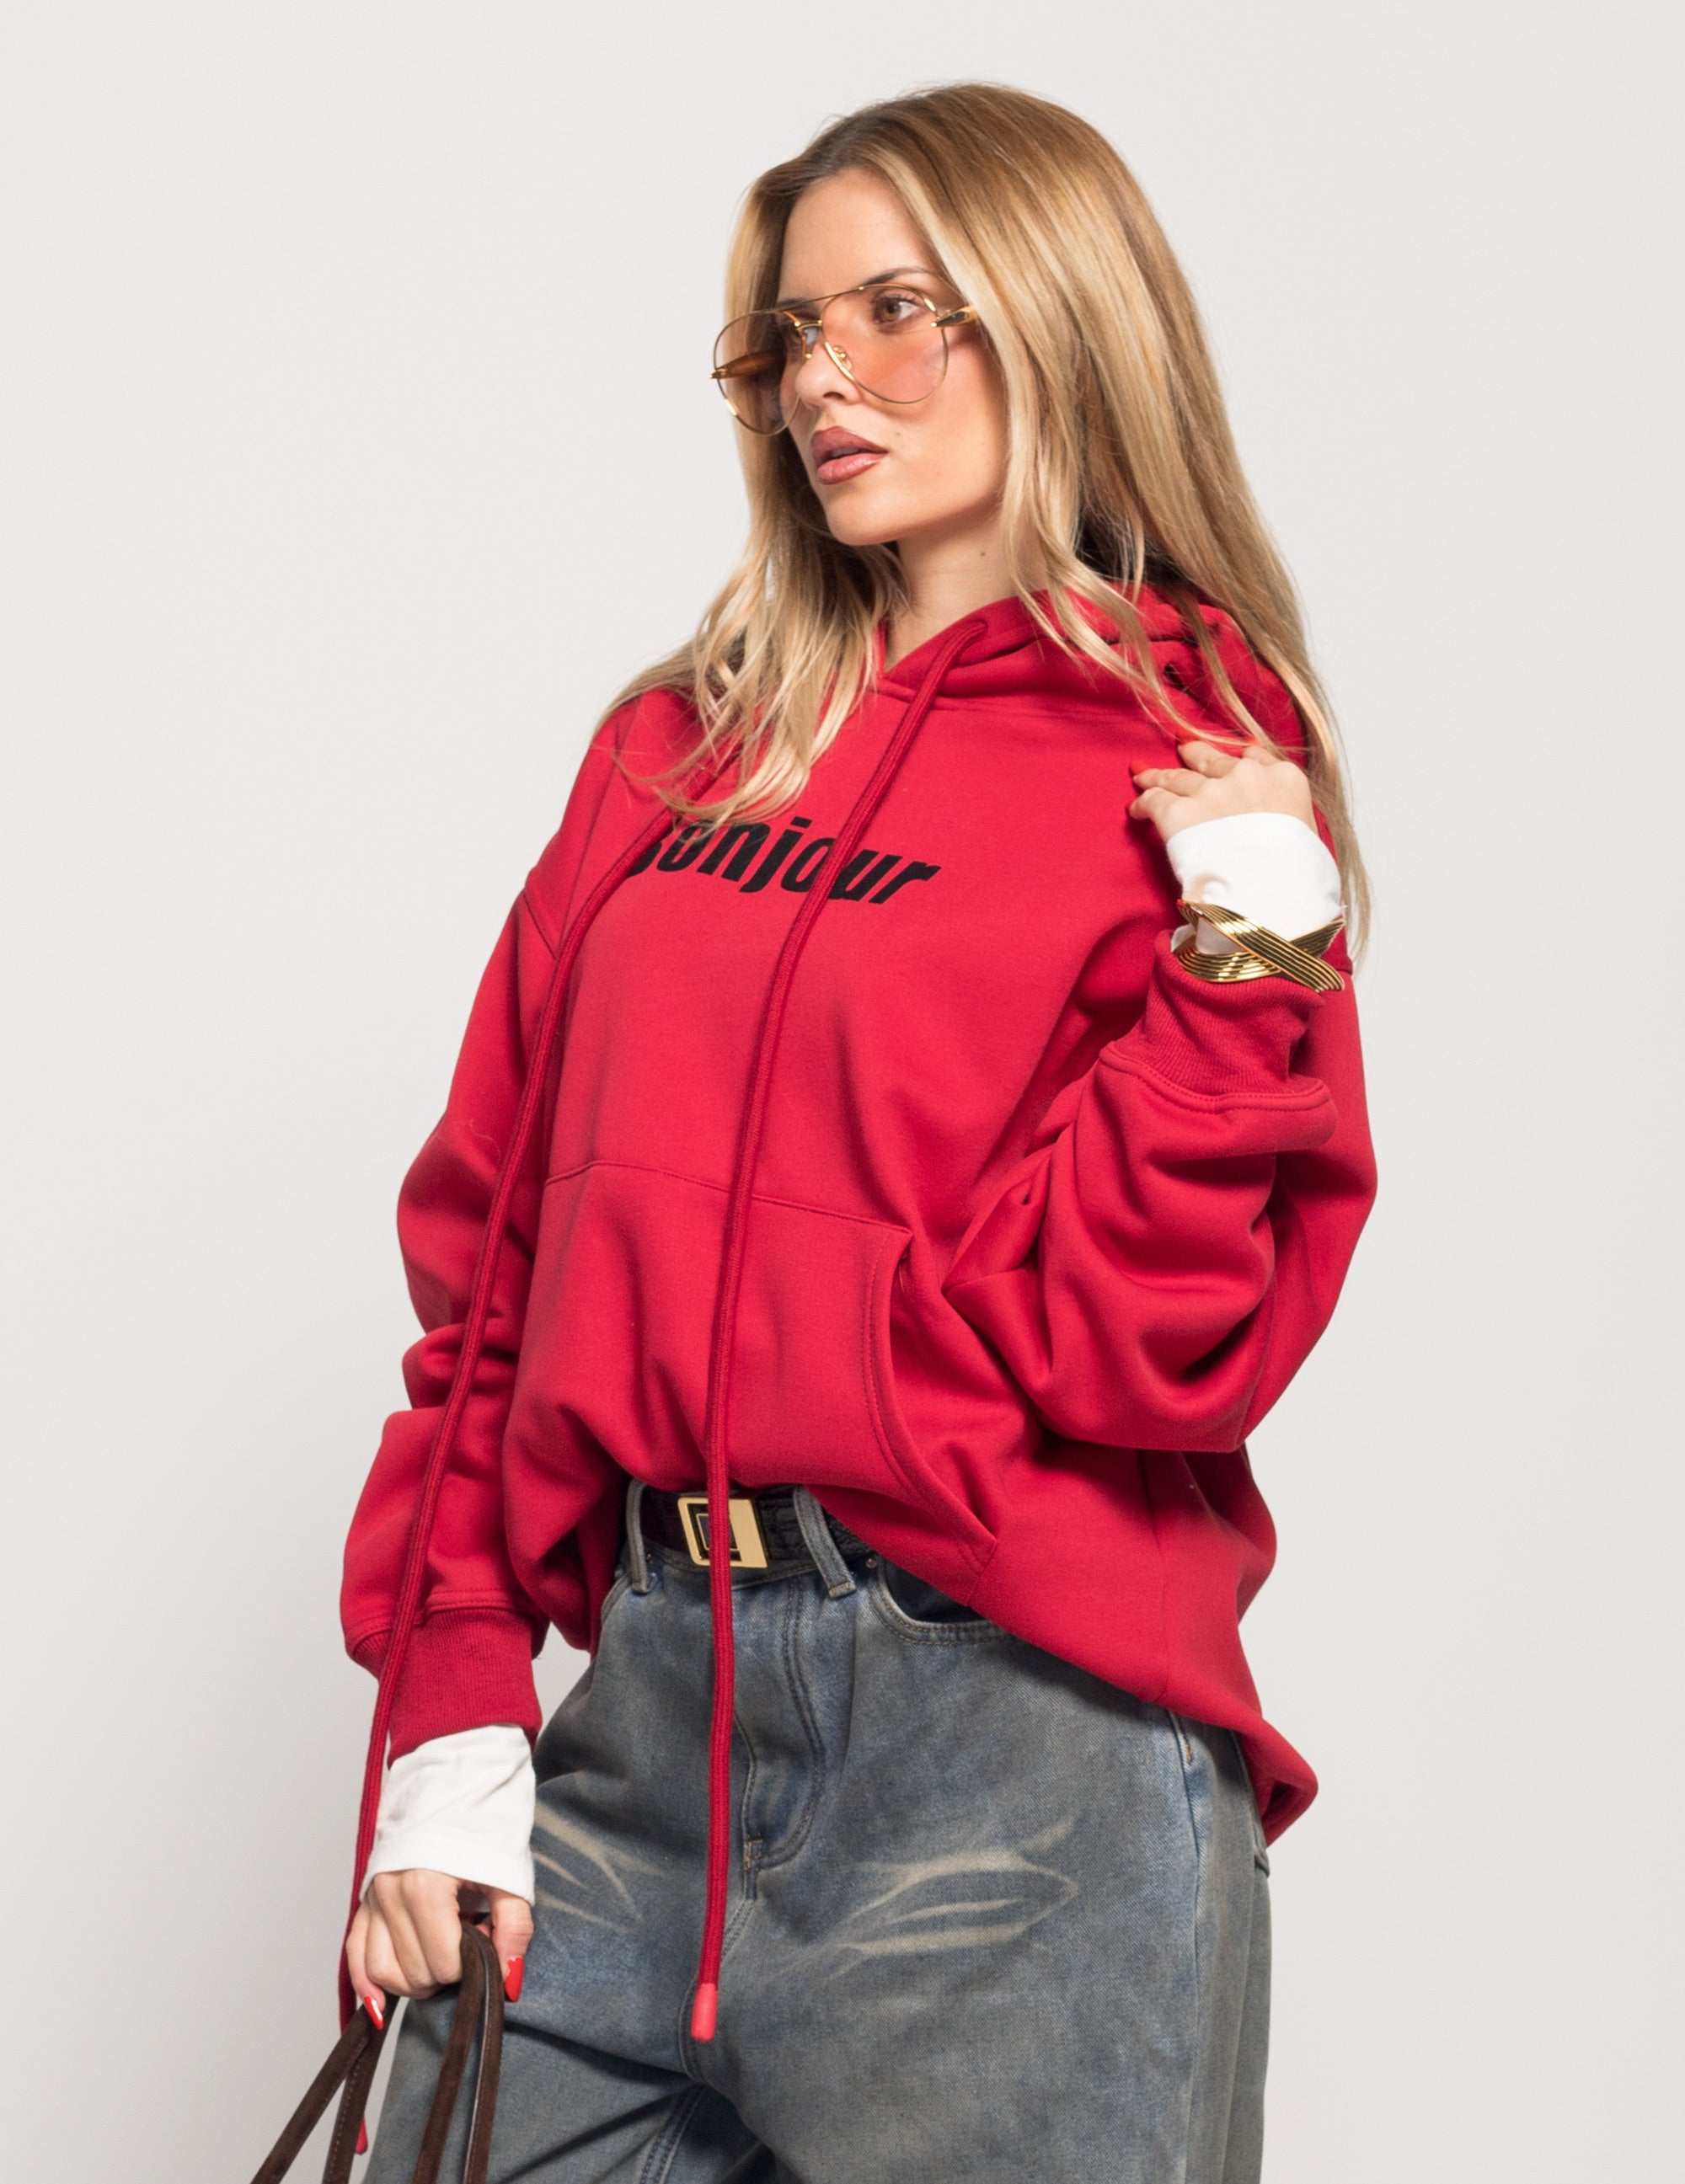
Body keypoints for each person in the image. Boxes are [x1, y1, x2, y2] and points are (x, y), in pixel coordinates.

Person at [338, 81, 1377, 2182]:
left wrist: (1252, 947)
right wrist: (449, 1696)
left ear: (1058, 312)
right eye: (791, 335)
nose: (825, 380)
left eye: (896, 313)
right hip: (640, 1724)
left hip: (1015, 1770)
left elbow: (1154, 1351)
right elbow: (498, 1258)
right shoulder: (672, 750)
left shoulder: (1194, 774)